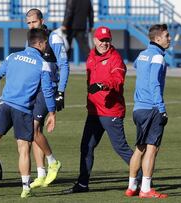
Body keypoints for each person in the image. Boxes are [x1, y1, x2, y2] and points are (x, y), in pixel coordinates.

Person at [0, 28, 56, 198]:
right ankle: (25, 188)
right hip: (23, 110)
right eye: (46, 44)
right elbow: (48, 91)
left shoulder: (12, 57)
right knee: (23, 149)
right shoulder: (42, 64)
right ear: (41, 43)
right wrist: (51, 112)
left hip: (5, 106)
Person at [64, 26, 137, 194]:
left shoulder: (116, 59)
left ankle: (143, 177)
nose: (104, 43)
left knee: (121, 148)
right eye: (101, 40)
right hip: (94, 111)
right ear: (95, 40)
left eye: (107, 40)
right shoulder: (91, 56)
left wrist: (104, 85)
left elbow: (118, 81)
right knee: (86, 146)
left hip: (111, 111)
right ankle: (82, 184)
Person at [25, 8, 69, 188]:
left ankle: (52, 162)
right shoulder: (30, 40)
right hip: (34, 89)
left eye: (33, 22)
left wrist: (60, 91)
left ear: (42, 21)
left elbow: (64, 65)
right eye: (28, 23)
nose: (31, 25)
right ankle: (41, 173)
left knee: (33, 128)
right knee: (34, 132)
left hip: (48, 89)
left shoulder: (54, 38)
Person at [125, 24, 170, 199]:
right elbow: (154, 83)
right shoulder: (158, 57)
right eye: (167, 36)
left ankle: (131, 186)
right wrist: (162, 108)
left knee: (140, 148)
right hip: (152, 107)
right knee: (152, 148)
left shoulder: (142, 54)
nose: (169, 38)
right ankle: (145, 189)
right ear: (157, 39)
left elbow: (137, 65)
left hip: (138, 108)